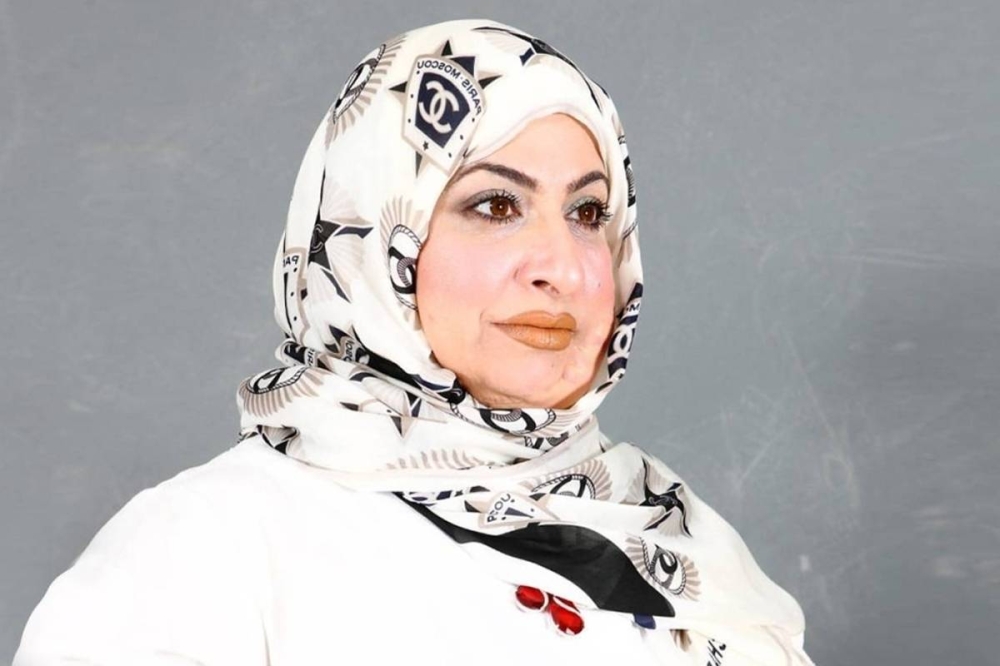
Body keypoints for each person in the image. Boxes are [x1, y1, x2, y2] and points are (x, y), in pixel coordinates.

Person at [15, 19, 811, 665]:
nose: (563, 267)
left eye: (588, 213)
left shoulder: (672, 540)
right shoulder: (211, 548)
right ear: (370, 239)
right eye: (495, 206)